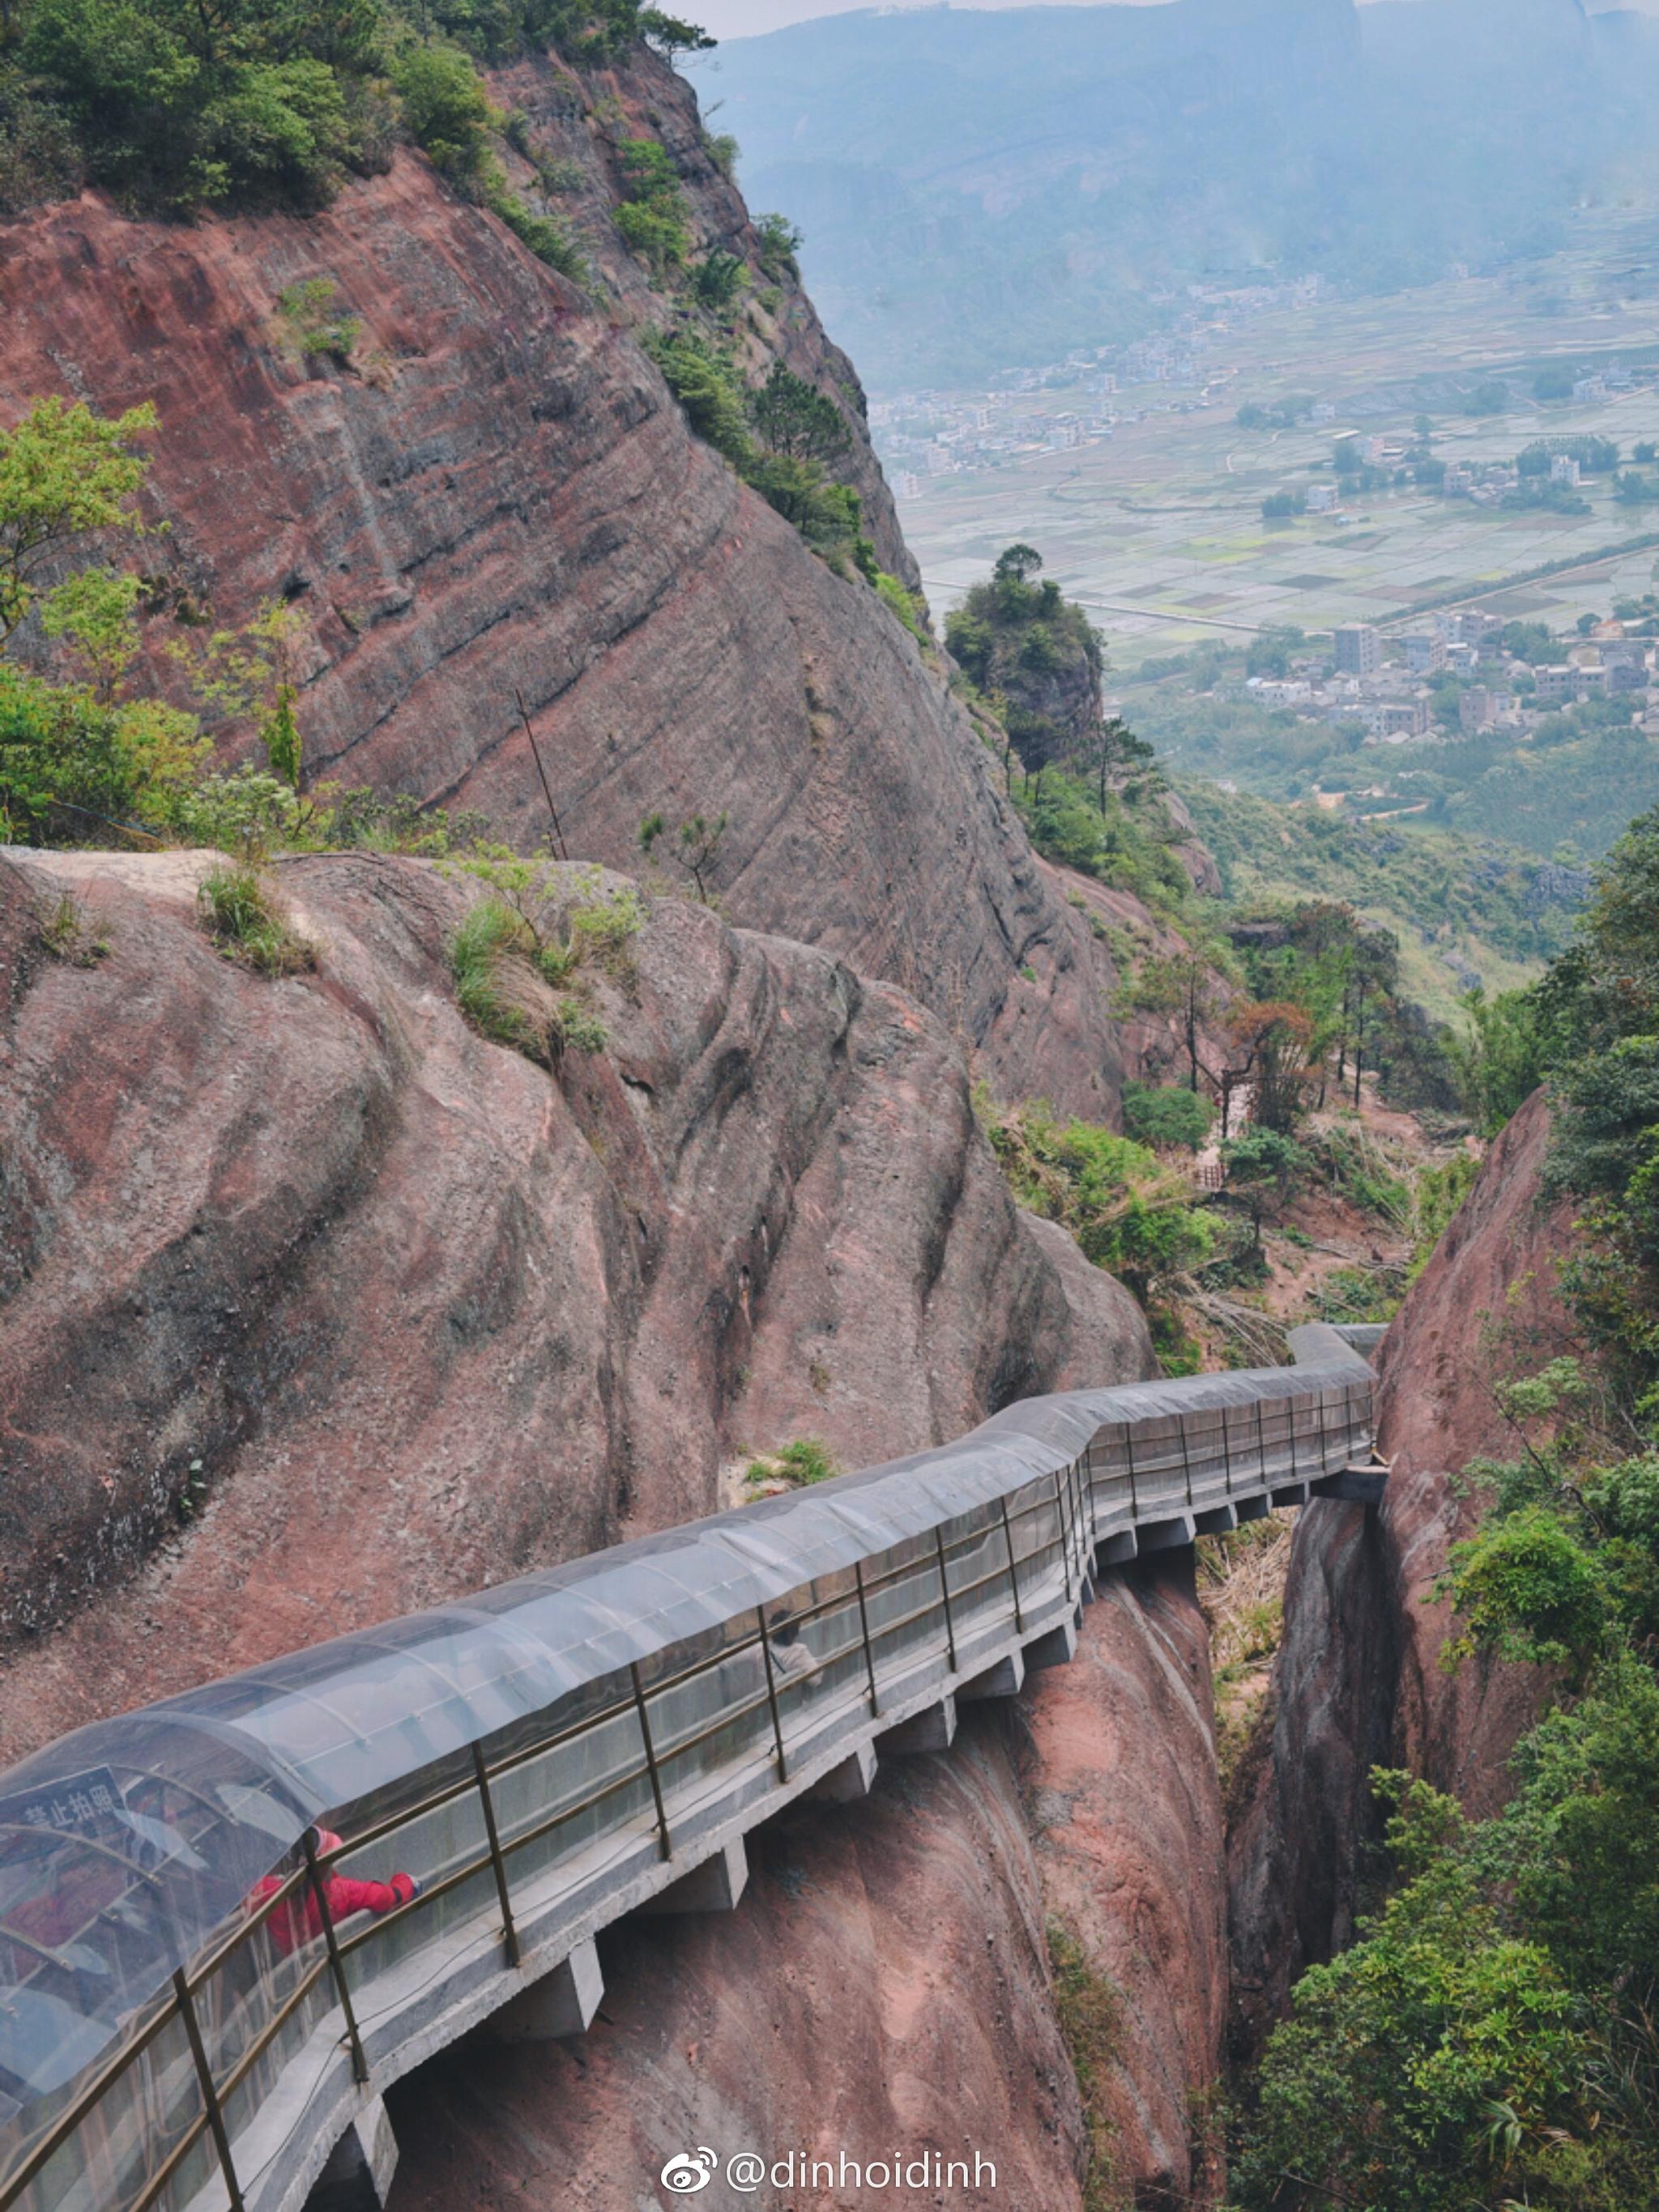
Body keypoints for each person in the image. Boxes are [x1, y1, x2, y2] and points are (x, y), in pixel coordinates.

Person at [249, 1829, 419, 1957]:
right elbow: (385, 1897)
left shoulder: (266, 1892)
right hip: (329, 1959)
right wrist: (406, 1882)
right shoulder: (337, 1894)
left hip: (291, 1962)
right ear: (322, 1866)